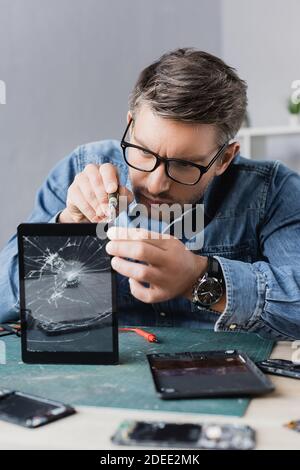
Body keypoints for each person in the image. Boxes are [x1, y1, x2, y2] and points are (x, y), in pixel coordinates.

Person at [1, 48, 300, 340]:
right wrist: (66, 229)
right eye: (144, 152)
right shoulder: (77, 172)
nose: (157, 185)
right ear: (130, 126)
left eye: (184, 165)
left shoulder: (272, 191)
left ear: (224, 159)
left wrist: (199, 277)